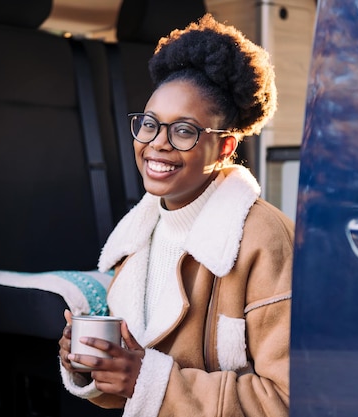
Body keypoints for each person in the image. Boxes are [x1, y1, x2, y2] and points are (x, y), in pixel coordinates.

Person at [58, 13, 294, 417]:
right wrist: (97, 365)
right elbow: (135, 387)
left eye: (183, 131)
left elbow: (289, 400)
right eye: (149, 124)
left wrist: (147, 380)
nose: (156, 145)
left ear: (224, 148)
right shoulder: (138, 237)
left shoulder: (266, 241)